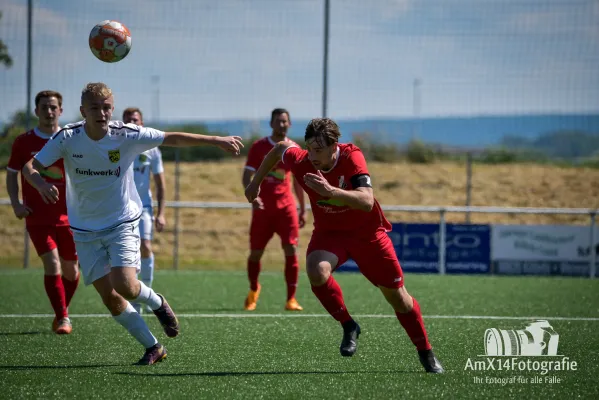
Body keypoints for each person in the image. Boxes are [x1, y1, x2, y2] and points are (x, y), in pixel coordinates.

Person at [22, 82, 243, 365]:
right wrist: (39, 183)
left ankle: (158, 303)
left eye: (105, 107)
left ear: (112, 109)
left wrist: (216, 141)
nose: (101, 113)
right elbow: (31, 167)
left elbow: (171, 138)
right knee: (110, 298)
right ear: (82, 111)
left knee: (125, 285)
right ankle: (153, 347)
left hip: (121, 222)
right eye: (94, 108)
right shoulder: (67, 137)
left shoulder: (125, 134)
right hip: (84, 229)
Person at [245, 118, 444, 373]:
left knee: (399, 300)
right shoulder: (303, 160)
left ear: (333, 146)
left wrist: (331, 192)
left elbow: (366, 201)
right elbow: (279, 149)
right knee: (316, 271)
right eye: (309, 148)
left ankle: (425, 351)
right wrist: (255, 182)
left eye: (319, 149)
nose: (312, 155)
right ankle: (349, 325)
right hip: (330, 234)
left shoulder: (352, 157)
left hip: (367, 235)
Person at [6, 90, 80, 335]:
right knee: (53, 264)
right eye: (44, 107)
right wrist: (16, 203)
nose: (49, 111)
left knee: (72, 272)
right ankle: (63, 318)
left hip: (71, 217)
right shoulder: (24, 142)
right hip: (37, 217)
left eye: (53, 107)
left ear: (60, 110)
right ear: (36, 111)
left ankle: (61, 311)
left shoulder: (70, 139)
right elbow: (13, 172)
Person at [242, 108, 306, 311]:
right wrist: (253, 197)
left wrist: (303, 208)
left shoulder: (294, 148)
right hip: (262, 209)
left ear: (290, 124)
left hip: (286, 209)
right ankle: (253, 289)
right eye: (278, 121)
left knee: (291, 250)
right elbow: (247, 175)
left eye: (285, 121)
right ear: (271, 124)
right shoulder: (259, 147)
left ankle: (291, 299)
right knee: (255, 254)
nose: (282, 124)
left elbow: (298, 182)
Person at [122, 107, 165, 314]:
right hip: (121, 209)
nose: (132, 122)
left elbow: (160, 184)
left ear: (142, 122)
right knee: (128, 253)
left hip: (144, 207)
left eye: (136, 119)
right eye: (128, 119)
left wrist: (162, 213)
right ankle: (134, 296)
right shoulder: (117, 145)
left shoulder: (152, 148)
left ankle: (147, 293)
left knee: (145, 245)